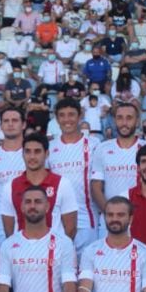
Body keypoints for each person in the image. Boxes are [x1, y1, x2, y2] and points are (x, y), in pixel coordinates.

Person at [0, 132, 78, 240]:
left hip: (54, 253)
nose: (32, 157)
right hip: (22, 252)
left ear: (47, 154)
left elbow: (71, 228)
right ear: (22, 154)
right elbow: (9, 230)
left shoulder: (63, 184)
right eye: (27, 151)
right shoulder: (10, 187)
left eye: (37, 152)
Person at [48, 98, 99, 248]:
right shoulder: (50, 148)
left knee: (86, 270)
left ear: (79, 116)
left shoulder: (95, 145)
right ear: (57, 119)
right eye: (62, 115)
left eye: (71, 114)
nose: (67, 119)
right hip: (58, 221)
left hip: (87, 220)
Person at [91, 101, 145, 234]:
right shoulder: (102, 148)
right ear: (115, 120)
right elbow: (96, 187)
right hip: (110, 221)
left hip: (140, 219)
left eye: (129, 118)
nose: (124, 123)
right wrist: (110, 213)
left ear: (137, 121)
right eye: (120, 118)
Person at [0, 107, 28, 243]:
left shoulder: (34, 154)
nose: (10, 124)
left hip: (29, 223)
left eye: (14, 120)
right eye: (6, 121)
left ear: (23, 124)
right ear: (1, 125)